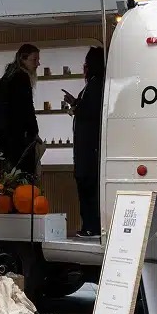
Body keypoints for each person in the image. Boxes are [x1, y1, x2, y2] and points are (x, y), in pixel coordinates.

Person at [66, 46, 105, 238]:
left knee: (88, 186)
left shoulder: (96, 85)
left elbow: (91, 113)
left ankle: (91, 226)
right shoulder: (96, 84)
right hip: (89, 147)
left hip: (88, 148)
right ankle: (90, 225)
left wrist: (76, 107)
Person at [0, 44, 42, 178]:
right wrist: (34, 131)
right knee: (23, 175)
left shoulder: (9, 76)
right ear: (23, 59)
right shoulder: (21, 78)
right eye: (34, 60)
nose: (38, 64)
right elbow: (27, 108)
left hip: (7, 136)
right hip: (20, 137)